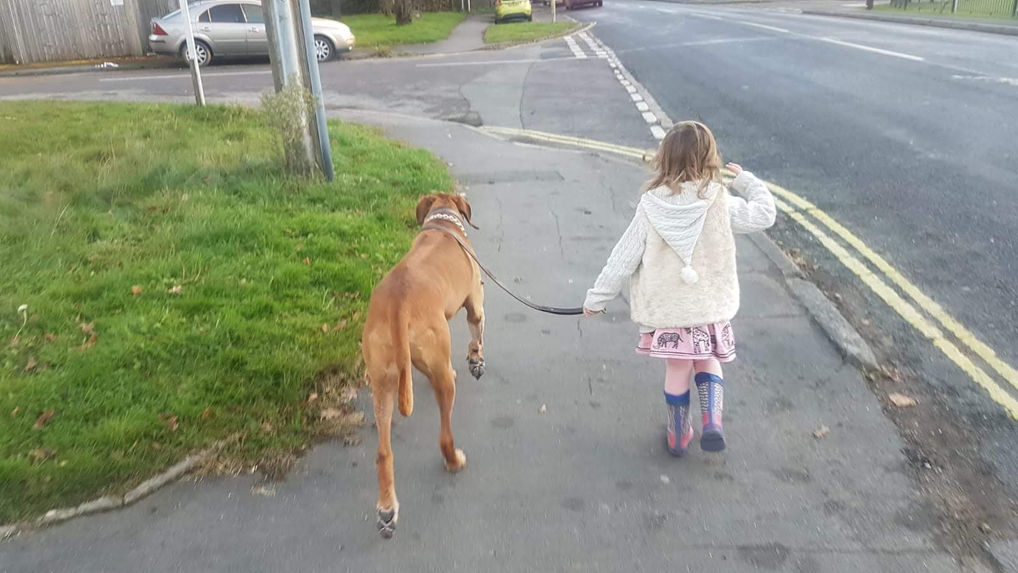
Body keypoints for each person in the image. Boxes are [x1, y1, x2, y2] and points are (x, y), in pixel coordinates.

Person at [582, 121, 776, 456]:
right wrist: (746, 181)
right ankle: (712, 422)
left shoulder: (650, 206)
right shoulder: (719, 201)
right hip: (709, 307)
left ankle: (678, 434)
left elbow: (622, 259)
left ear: (665, 158)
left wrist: (596, 299)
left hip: (670, 314)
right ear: (708, 157)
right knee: (708, 361)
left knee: (677, 368)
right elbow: (763, 216)